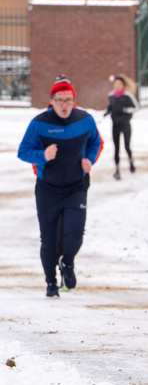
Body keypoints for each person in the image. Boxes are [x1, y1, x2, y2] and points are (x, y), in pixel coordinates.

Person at [17, 75, 103, 298]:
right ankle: (51, 282)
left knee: (75, 233)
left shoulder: (85, 120)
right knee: (49, 239)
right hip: (48, 189)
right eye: (59, 100)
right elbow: (23, 151)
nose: (64, 105)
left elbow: (97, 141)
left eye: (68, 100)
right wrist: (42, 155)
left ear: (74, 100)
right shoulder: (39, 123)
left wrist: (90, 160)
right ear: (51, 100)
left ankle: (67, 262)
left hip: (76, 186)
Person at [104, 74, 139, 180]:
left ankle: (131, 163)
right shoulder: (111, 96)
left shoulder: (128, 96)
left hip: (125, 124)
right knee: (116, 147)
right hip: (115, 125)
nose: (117, 85)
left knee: (127, 146)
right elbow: (109, 107)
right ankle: (117, 170)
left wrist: (127, 110)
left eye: (119, 84)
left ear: (123, 85)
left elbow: (136, 108)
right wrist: (106, 113)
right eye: (115, 84)